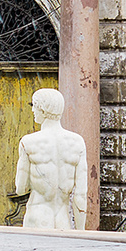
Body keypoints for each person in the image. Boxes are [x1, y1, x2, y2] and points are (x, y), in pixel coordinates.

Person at [16, 87, 88, 229]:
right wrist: (81, 232)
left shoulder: (28, 142)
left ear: (43, 110)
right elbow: (81, 196)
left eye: (34, 106)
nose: (32, 111)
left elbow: (20, 188)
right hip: (63, 221)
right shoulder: (77, 142)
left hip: (37, 218)